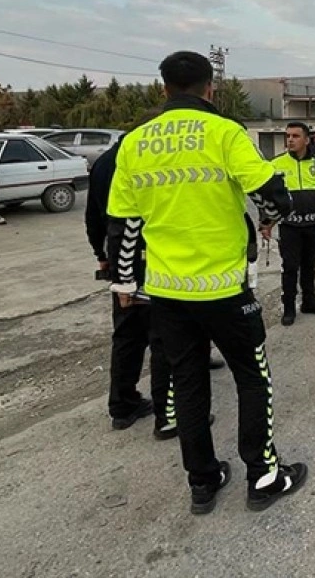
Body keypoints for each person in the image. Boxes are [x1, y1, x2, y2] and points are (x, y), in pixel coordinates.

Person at [108, 50, 307, 515]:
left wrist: (123, 285)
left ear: (163, 89)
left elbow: (123, 225)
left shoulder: (135, 143)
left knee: (188, 383)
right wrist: (269, 219)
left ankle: (204, 479)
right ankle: (263, 474)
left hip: (168, 294)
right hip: (224, 290)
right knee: (252, 377)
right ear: (210, 88)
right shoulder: (224, 133)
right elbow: (270, 192)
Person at [86, 130, 227, 439]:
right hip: (152, 260)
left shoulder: (102, 163)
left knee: (126, 335)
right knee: (163, 338)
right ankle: (167, 416)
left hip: (121, 261)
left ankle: (122, 406)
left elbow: (94, 216)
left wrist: (102, 255)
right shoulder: (142, 163)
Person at [267, 122, 315, 327]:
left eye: (295, 136)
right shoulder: (276, 164)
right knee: (290, 267)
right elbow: (268, 198)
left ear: (307, 140)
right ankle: (289, 307)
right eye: (288, 136)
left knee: (309, 266)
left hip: (312, 227)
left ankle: (309, 301)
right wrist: (267, 223)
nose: (290, 139)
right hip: (289, 228)